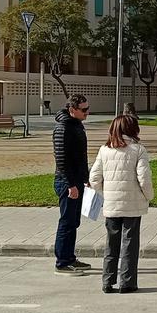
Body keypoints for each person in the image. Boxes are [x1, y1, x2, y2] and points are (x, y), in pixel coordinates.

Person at [89, 112, 154, 294]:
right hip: (132, 206)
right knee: (130, 244)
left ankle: (107, 281)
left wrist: (105, 194)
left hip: (111, 205)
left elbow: (94, 178)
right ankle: (127, 282)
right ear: (133, 129)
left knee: (111, 243)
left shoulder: (105, 149)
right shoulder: (138, 149)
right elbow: (144, 178)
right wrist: (148, 196)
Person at [52, 94, 92, 274]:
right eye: (83, 110)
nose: (87, 113)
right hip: (66, 181)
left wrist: (86, 177)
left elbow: (80, 157)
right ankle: (62, 261)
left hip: (77, 179)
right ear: (72, 110)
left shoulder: (76, 125)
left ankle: (70, 257)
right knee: (67, 221)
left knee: (74, 221)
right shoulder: (63, 128)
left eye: (87, 108)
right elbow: (61, 158)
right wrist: (70, 185)